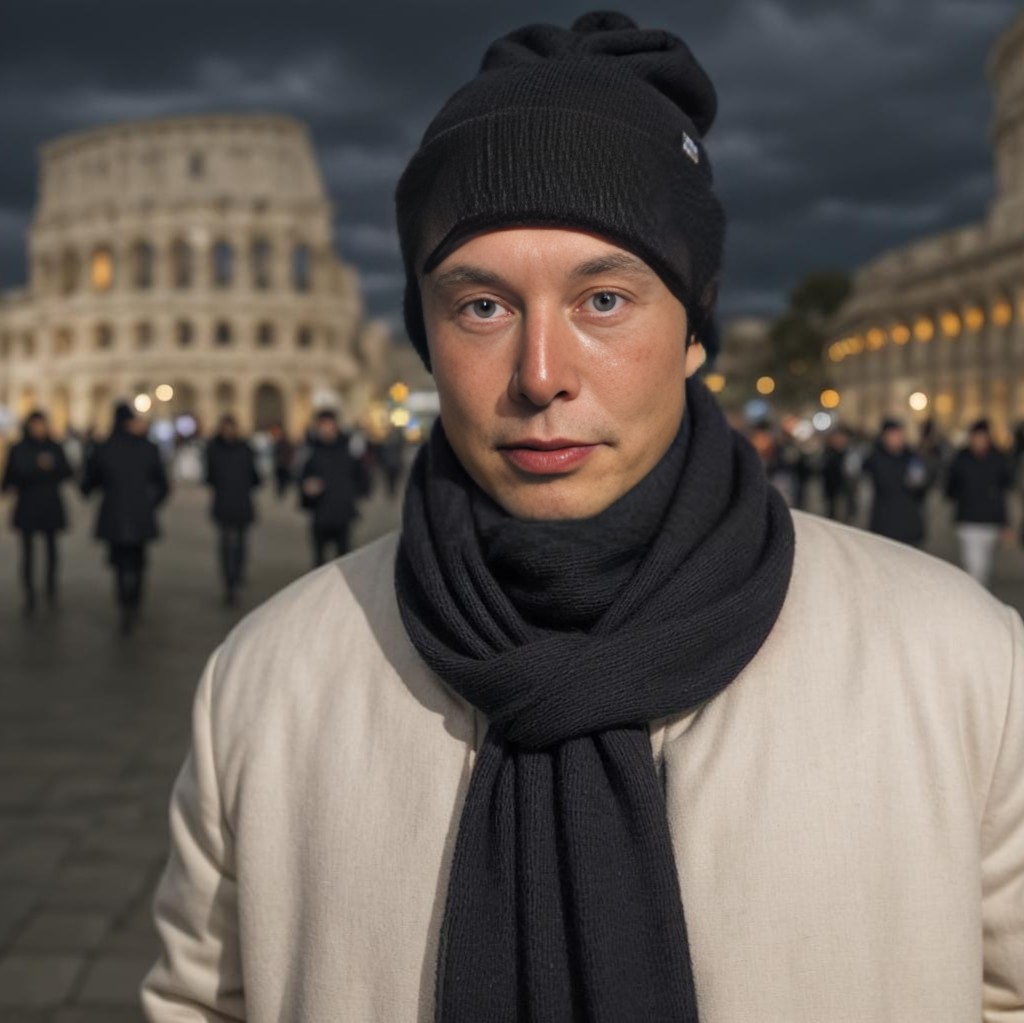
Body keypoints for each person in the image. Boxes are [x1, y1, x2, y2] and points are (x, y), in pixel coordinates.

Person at [143, 12, 1024, 1021]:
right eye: (482, 306)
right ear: (424, 336)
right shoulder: (266, 684)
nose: (540, 376)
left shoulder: (959, 664)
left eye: (603, 299)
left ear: (694, 329)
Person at [81, 402, 169, 634]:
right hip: (141, 513)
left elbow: (89, 483)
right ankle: (135, 601)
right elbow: (163, 485)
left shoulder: (104, 447)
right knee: (138, 560)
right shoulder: (148, 447)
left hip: (114, 513)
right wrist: (151, 504)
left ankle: (124, 603)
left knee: (120, 562)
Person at [1, 410, 73, 615]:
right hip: (28, 505)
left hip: (50, 504)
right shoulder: (18, 448)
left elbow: (67, 471)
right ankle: (29, 591)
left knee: (52, 550)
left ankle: (50, 586)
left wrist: (53, 467)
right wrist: (36, 467)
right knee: (28, 553)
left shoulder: (55, 447)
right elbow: (10, 477)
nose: (39, 429)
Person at [945, 418, 1013, 588]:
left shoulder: (998, 459)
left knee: (985, 566)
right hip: (969, 519)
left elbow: (1002, 493)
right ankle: (977, 599)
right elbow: (951, 488)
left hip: (991, 521)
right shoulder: (961, 458)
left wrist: (1005, 523)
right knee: (974, 565)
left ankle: (980, 595)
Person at [297, 408, 369, 567]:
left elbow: (362, 477)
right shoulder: (311, 450)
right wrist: (307, 489)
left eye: (329, 425)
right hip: (320, 512)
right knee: (318, 560)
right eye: (322, 425)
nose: (326, 429)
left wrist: (352, 494)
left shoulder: (349, 448)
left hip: (342, 511)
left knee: (344, 559)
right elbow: (302, 479)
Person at [204, 414, 261, 606]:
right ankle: (231, 579)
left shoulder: (217, 449)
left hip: (235, 502)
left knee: (239, 543)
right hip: (231, 503)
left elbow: (209, 477)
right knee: (228, 544)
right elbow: (255, 478)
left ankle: (236, 575)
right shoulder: (242, 448)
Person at [862, 417, 932, 547]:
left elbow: (922, 488)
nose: (898, 438)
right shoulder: (875, 459)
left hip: (910, 526)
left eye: (900, 434)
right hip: (885, 526)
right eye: (893, 435)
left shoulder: (913, 459)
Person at [820, 425, 860, 524]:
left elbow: (853, 474)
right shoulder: (828, 453)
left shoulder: (850, 454)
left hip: (845, 493)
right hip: (831, 492)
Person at [268, 421, 295, 499]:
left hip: (284, 465)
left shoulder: (285, 441)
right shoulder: (276, 441)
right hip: (279, 465)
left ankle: (282, 493)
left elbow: (289, 453)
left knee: (283, 482)